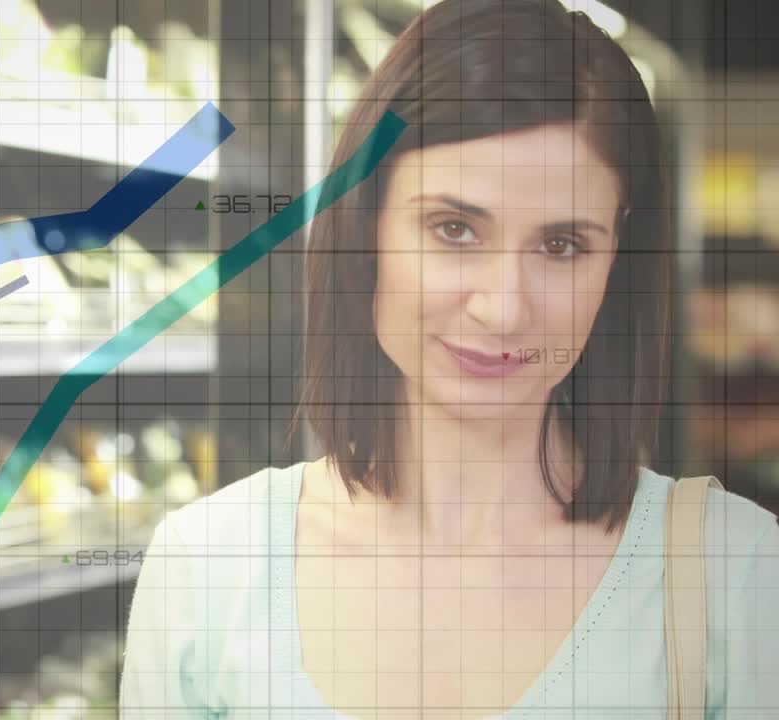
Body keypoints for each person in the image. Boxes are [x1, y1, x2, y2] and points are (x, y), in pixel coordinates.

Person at [119, 0, 779, 717]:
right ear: (365, 225)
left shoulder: (733, 570)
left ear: (619, 263)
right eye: (454, 229)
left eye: (562, 246)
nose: (502, 307)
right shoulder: (208, 563)